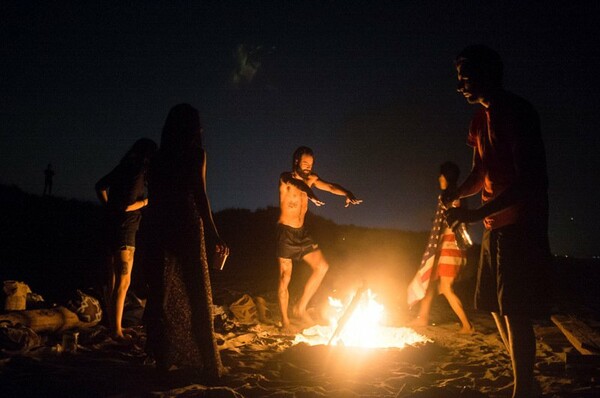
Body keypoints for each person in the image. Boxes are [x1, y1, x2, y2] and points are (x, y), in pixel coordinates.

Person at [444, 44, 551, 398]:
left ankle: (524, 390)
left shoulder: (518, 112)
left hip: (521, 224)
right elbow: (479, 171)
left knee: (515, 311)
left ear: (490, 73)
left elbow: (530, 181)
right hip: (494, 225)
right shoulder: (478, 120)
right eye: (459, 77)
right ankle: (526, 382)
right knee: (494, 307)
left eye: (467, 76)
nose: (460, 85)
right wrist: (458, 195)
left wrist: (475, 213)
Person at [143, 104, 228, 380]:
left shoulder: (157, 158)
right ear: (193, 128)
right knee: (197, 293)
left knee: (159, 295)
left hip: (158, 226)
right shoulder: (196, 154)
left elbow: (154, 197)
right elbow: (200, 196)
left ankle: (162, 360)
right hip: (187, 224)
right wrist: (214, 233)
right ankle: (208, 365)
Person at [277, 146, 362, 333]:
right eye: (305, 163)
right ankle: (285, 321)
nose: (308, 167)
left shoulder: (312, 179)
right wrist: (311, 194)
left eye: (311, 164)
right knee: (285, 277)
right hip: (286, 233)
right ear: (296, 161)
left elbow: (331, 187)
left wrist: (347, 192)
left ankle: (300, 308)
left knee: (322, 267)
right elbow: (299, 185)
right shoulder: (285, 178)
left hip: (302, 233)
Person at [95, 138, 157, 342]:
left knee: (113, 279)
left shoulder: (124, 167)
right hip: (125, 229)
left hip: (110, 226)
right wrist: (147, 201)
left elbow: (100, 186)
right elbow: (126, 206)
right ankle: (116, 331)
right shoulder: (139, 172)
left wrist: (108, 208)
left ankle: (115, 326)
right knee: (124, 280)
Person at [407, 161, 473, 334]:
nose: (439, 178)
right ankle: (423, 318)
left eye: (442, 175)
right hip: (443, 247)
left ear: (447, 177)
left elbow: (458, 223)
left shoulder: (456, 198)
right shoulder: (450, 196)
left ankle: (468, 326)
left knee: (445, 287)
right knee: (429, 284)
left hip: (451, 247)